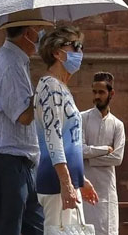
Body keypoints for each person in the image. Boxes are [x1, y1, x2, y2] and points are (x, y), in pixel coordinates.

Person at [0, 16, 52, 235]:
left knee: (35, 228)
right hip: (8, 163)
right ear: (28, 33)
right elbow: (24, 116)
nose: (39, 36)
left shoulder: (13, 61)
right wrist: (42, 92)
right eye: (37, 30)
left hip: (19, 163)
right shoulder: (9, 64)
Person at [34, 26, 98, 229]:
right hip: (55, 184)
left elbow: (70, 139)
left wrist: (80, 179)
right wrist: (66, 183)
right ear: (56, 52)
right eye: (75, 46)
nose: (80, 52)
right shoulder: (50, 86)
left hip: (66, 180)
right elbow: (53, 137)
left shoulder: (61, 88)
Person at [81, 72, 124, 235]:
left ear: (111, 94)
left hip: (107, 191)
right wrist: (104, 149)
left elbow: (118, 158)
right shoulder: (81, 118)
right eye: (94, 92)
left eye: (101, 92)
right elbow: (79, 150)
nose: (97, 96)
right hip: (85, 187)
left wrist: (89, 158)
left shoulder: (117, 125)